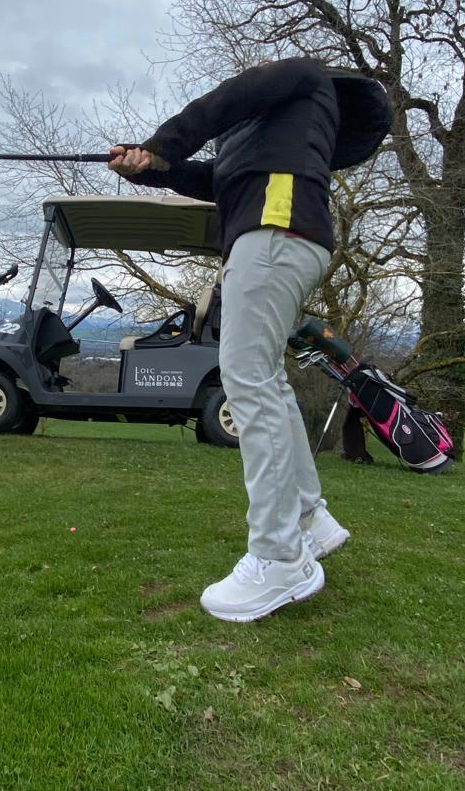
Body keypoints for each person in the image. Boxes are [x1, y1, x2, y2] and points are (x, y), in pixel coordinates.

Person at [108, 58, 390, 623]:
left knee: (248, 383)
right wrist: (149, 168)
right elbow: (212, 179)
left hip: (273, 232)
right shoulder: (261, 142)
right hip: (276, 239)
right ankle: (309, 519)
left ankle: (280, 557)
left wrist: (162, 143)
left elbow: (230, 96)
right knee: (266, 383)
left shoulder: (303, 76)